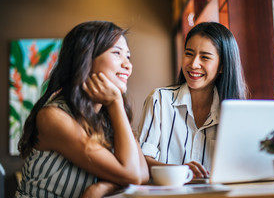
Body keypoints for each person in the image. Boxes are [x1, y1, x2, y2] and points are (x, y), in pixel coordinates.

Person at [16, 21, 149, 198]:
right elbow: (132, 175)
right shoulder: (52, 117)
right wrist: (116, 102)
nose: (128, 65)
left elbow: (142, 174)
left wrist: (101, 188)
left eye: (128, 56)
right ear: (85, 58)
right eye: (117, 53)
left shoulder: (107, 116)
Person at [137, 22, 248, 179]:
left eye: (205, 57)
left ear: (222, 66)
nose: (194, 64)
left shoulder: (235, 114)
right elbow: (141, 161)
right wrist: (181, 172)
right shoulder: (159, 100)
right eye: (189, 54)